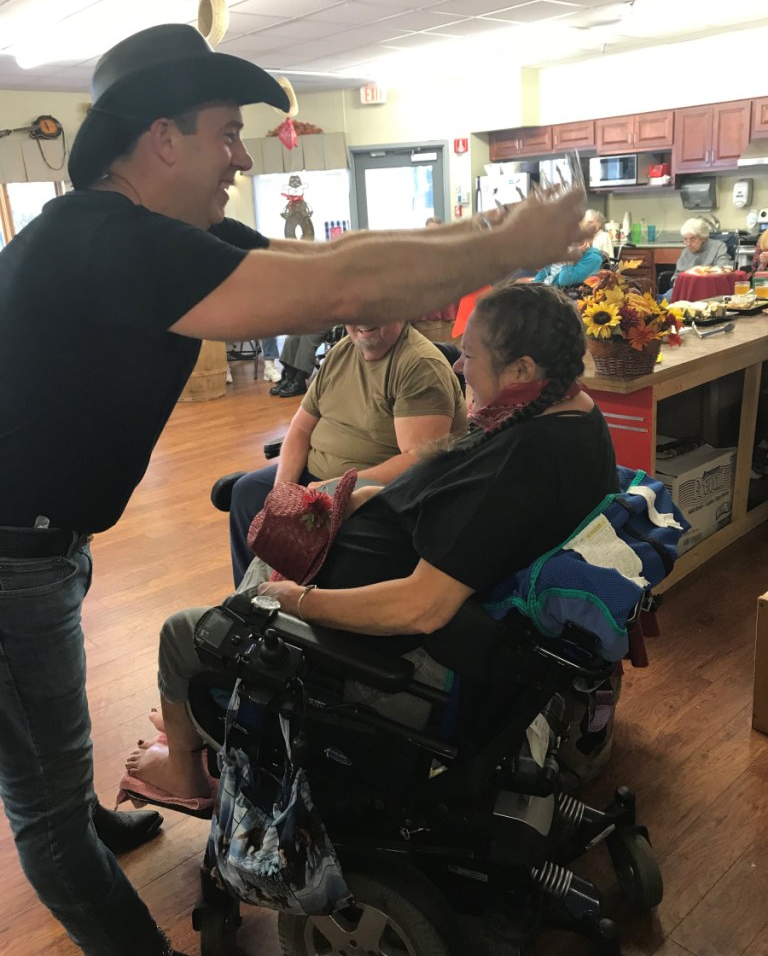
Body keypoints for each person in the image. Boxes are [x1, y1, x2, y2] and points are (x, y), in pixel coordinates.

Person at [0, 20, 584, 956]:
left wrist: (485, 235)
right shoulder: (105, 241)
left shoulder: (167, 235)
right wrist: (503, 248)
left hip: (43, 539)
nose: (240, 156)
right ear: (161, 137)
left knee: (44, 729)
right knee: (39, 811)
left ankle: (82, 813)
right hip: (7, 549)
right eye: (225, 132)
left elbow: (327, 265)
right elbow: (348, 289)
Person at [121, 283, 618, 806]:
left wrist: (299, 601)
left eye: (469, 356)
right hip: (399, 601)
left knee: (182, 633)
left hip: (394, 660)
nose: (458, 369)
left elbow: (421, 607)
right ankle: (199, 713)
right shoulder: (562, 412)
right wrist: (357, 500)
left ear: (520, 369)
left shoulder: (521, 463)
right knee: (270, 534)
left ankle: (185, 762)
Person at [229, 321, 467, 583]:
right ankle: (250, 608)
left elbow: (419, 461)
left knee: (310, 535)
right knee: (247, 492)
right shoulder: (342, 351)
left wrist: (338, 488)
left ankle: (283, 604)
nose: (364, 320)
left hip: (367, 493)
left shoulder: (420, 365)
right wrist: (282, 492)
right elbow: (300, 428)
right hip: (316, 478)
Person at [661, 217, 731, 299]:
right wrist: (676, 282)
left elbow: (723, 269)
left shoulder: (719, 247)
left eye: (692, 239)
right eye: (685, 239)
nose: (688, 243)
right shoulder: (686, 251)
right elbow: (677, 274)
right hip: (687, 290)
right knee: (665, 299)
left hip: (709, 291)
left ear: (703, 237)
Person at [268, 329, 330, 397]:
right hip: (312, 322)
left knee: (307, 338)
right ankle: (290, 377)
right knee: (293, 337)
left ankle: (299, 381)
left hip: (327, 322)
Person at [533, 235, 604, 288]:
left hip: (561, 296)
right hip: (545, 291)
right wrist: (534, 288)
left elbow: (564, 281)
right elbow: (542, 274)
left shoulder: (593, 258)